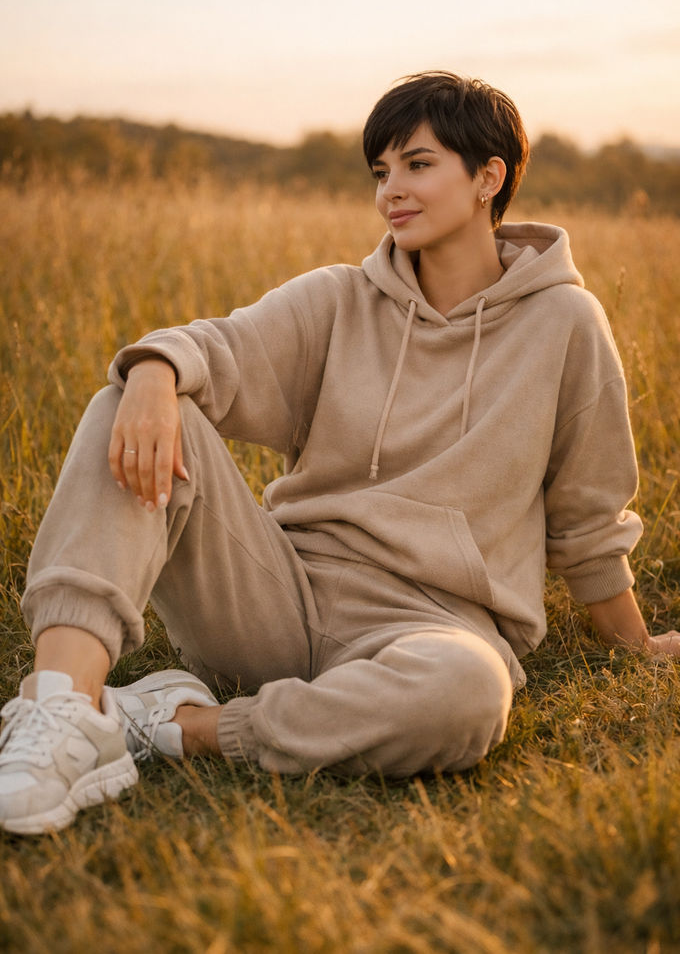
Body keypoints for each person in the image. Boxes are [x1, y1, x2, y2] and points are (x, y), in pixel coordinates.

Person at [1, 71, 678, 836]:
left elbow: (588, 513)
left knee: (469, 692)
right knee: (132, 405)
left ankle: (168, 725)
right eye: (381, 172)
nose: (392, 190)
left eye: (418, 165)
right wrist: (154, 371)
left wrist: (637, 644)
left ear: (490, 177)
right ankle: (60, 706)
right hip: (276, 596)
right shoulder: (340, 298)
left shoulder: (565, 322)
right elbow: (219, 349)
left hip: (431, 630)